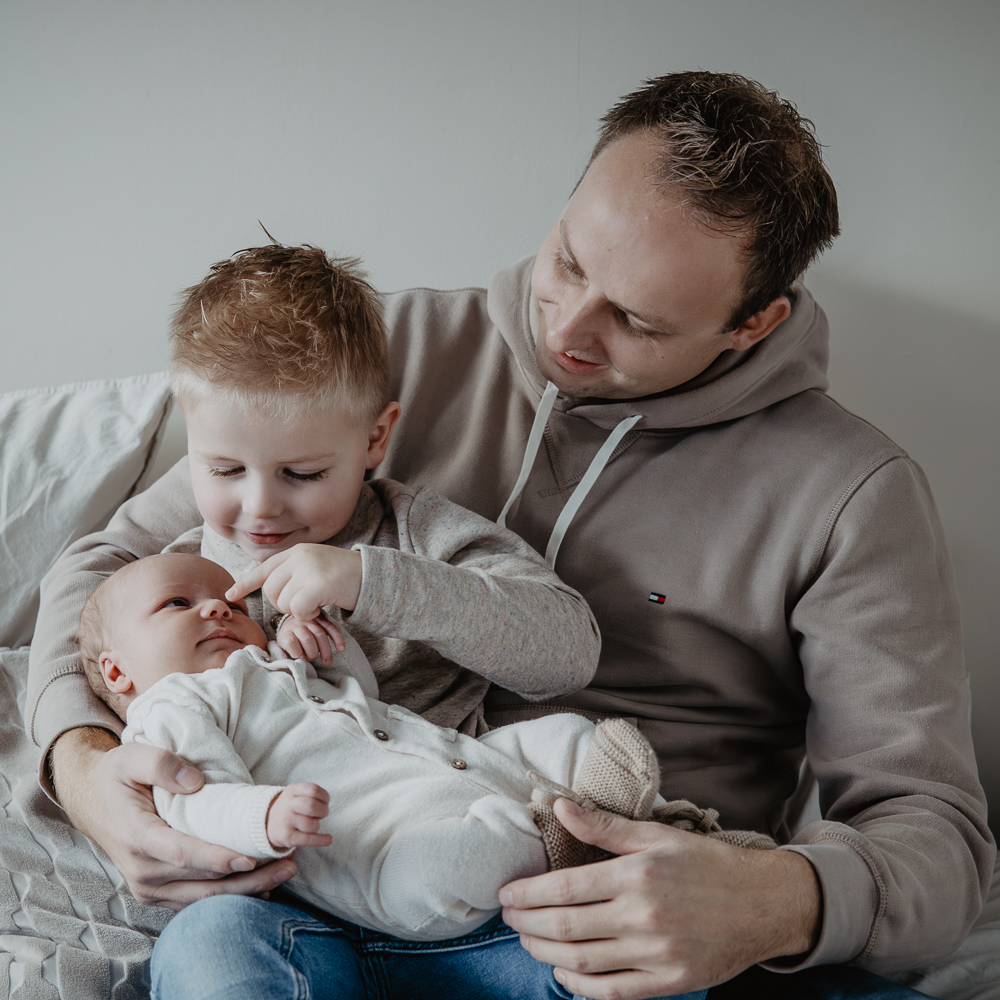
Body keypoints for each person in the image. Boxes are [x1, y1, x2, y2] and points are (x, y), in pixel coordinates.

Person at [26, 71, 993, 999]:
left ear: (752, 324)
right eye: (567, 259)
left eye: (639, 320)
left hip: (582, 915)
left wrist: (773, 902)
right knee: (208, 954)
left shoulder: (854, 493)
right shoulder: (379, 353)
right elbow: (108, 564)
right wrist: (82, 769)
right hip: (310, 876)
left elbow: (936, 836)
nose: (569, 327)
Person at [80, 551, 711, 1000]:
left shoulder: (268, 668)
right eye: (177, 604)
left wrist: (325, 645)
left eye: (230, 601)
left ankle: (639, 817)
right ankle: (558, 837)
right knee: (460, 856)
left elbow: (364, 699)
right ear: (117, 673)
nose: (217, 607)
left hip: (463, 771)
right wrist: (261, 817)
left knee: (569, 734)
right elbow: (194, 796)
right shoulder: (173, 705)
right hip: (383, 861)